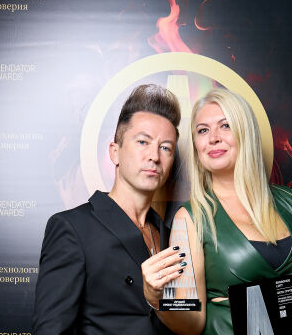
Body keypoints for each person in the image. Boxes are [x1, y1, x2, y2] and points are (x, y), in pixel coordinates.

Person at [142, 88, 292, 334]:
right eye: (202, 130)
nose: (213, 138)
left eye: (225, 126)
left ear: (245, 131)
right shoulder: (190, 219)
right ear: (195, 145)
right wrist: (158, 300)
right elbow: (191, 324)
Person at [33, 84, 184, 335]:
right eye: (143, 142)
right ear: (115, 152)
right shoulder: (73, 228)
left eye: (165, 147)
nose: (154, 156)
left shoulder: (171, 236)